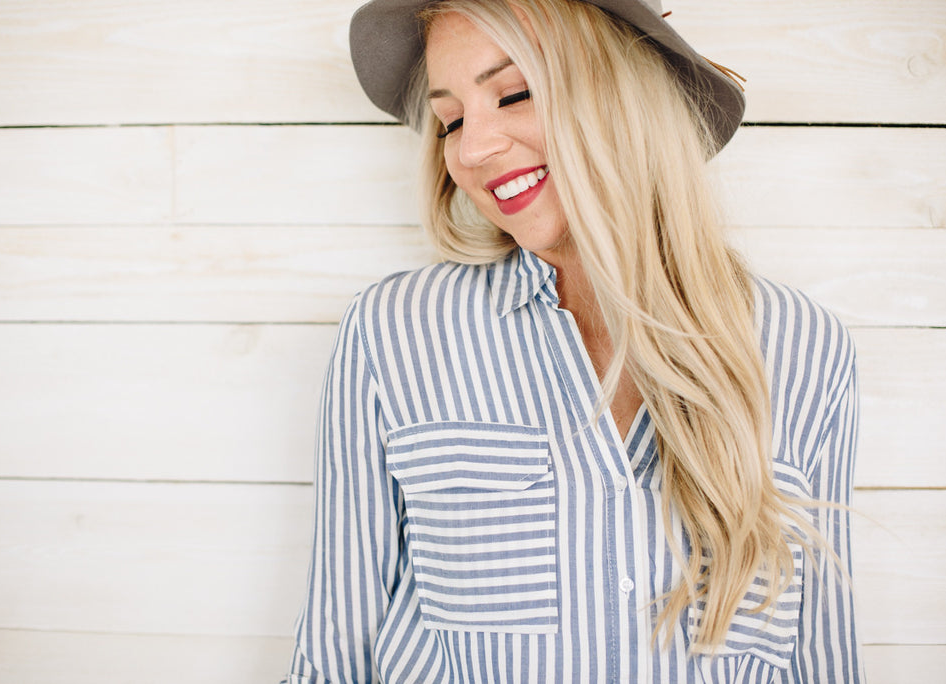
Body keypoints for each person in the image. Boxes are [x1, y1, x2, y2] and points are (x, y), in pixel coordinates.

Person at [285, 0, 862, 681]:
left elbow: (820, 654)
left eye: (515, 93)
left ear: (622, 96)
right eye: (452, 119)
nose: (471, 149)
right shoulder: (396, 332)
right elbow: (335, 648)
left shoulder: (804, 345)